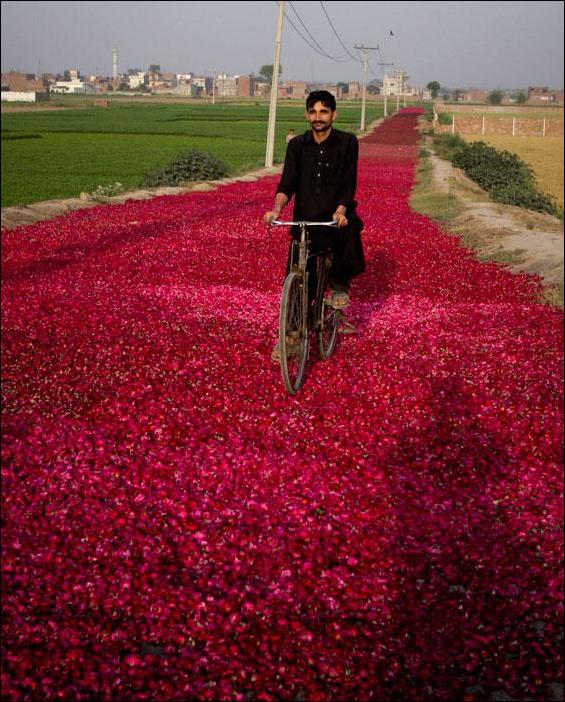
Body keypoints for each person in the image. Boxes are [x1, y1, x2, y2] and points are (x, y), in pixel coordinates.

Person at [264, 90, 365, 359]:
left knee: (349, 231)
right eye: (313, 112)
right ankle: (291, 337)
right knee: (297, 281)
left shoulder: (347, 143)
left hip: (334, 218)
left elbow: (348, 182)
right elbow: (286, 184)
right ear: (307, 114)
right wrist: (276, 209)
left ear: (334, 114)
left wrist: (342, 209)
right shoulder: (297, 145)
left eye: (323, 112)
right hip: (305, 220)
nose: (318, 117)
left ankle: (339, 286)